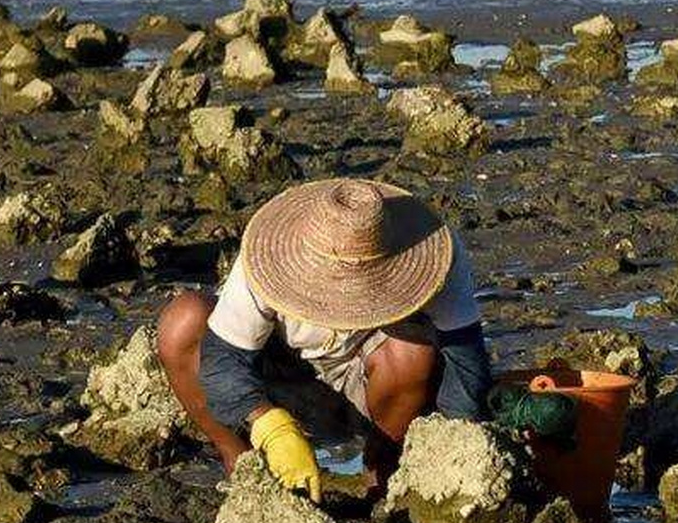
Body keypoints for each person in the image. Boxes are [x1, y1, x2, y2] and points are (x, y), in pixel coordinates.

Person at [156, 177, 492, 499]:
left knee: (413, 352)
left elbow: (464, 361)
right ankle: (242, 466)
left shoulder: (432, 252)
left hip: (369, 374)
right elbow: (221, 362)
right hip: (281, 368)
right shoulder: (266, 253)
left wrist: (457, 449)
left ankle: (385, 469)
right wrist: (270, 426)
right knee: (182, 323)